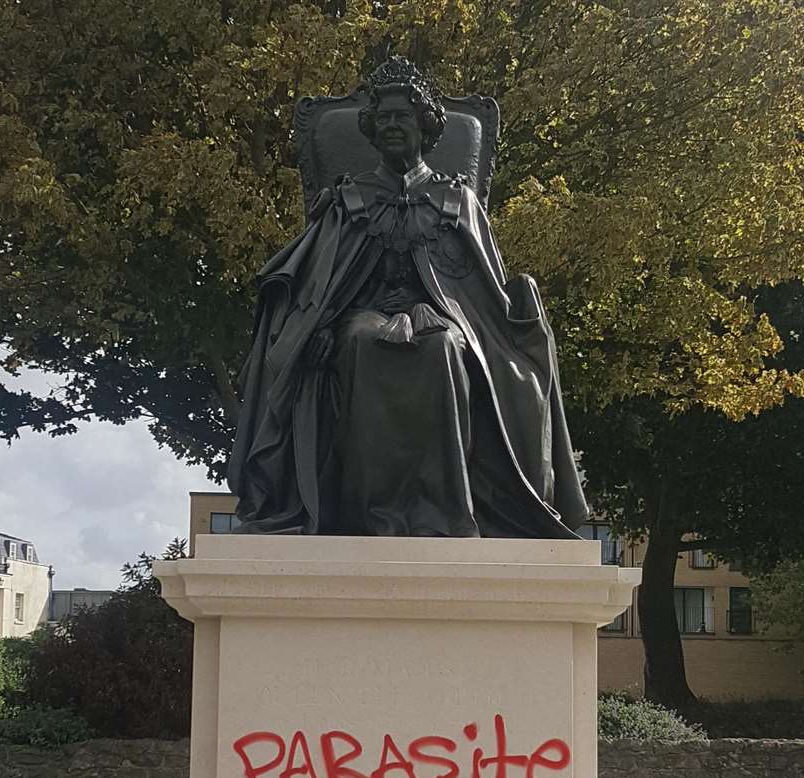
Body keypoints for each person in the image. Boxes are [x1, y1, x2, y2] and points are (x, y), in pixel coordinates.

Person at [227, 58, 589, 539]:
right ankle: (364, 518)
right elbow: (319, 286)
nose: (393, 125)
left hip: (444, 320)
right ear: (371, 130)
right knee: (360, 341)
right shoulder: (346, 201)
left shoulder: (457, 202)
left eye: (403, 116)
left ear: (425, 125)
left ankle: (442, 517)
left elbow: (485, 294)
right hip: (360, 317)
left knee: (441, 348)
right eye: (384, 118)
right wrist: (316, 332)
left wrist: (512, 317)